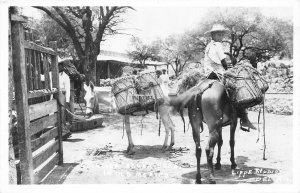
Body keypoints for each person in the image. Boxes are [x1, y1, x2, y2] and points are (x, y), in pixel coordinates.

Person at [204, 24, 256, 131]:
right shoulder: (217, 45)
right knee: (236, 88)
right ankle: (244, 118)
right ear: (213, 35)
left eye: (222, 35)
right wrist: (228, 69)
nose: (221, 37)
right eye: (219, 34)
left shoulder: (208, 46)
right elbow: (223, 61)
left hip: (208, 74)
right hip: (217, 73)